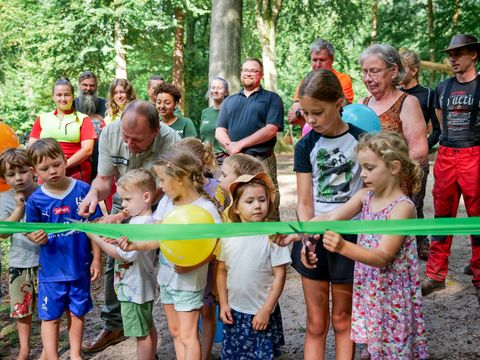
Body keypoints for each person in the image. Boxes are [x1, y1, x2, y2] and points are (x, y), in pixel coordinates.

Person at [302, 131, 428, 359]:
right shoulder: (365, 196)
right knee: (375, 345)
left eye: (370, 168)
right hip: (371, 288)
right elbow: (331, 218)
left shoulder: (403, 208)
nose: (363, 174)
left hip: (391, 294)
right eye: (361, 168)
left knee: (393, 348)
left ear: (394, 167)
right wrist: (297, 233)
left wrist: (342, 247)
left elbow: (382, 256)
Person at [276, 69, 365, 359]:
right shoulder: (306, 145)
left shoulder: (362, 141)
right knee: (316, 323)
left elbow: (368, 194)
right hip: (312, 236)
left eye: (317, 112)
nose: (310, 120)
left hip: (349, 239)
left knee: (343, 319)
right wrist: (306, 238)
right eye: (305, 113)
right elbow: (304, 201)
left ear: (339, 103)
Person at [79, 101, 179, 353]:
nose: (129, 145)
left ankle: (179, 326)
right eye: (126, 137)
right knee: (117, 264)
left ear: (155, 132)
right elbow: (103, 180)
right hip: (122, 200)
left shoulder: (171, 141)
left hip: (157, 202)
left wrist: (125, 214)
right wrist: (94, 195)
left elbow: (159, 191)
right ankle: (114, 324)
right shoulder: (111, 133)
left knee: (162, 261)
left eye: (137, 140)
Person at [118, 148, 222, 360]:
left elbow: (216, 248)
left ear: (181, 178)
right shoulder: (166, 202)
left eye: (163, 180)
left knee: (188, 335)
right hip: (166, 279)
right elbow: (157, 236)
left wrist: (192, 266)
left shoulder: (206, 209)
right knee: (175, 332)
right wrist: (134, 245)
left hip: (189, 282)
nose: (160, 186)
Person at [25, 138, 103, 360]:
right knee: (50, 317)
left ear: (65, 159)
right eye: (45, 168)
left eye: (56, 164)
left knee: (77, 313)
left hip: (79, 266)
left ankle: (75, 354)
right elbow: (30, 230)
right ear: (34, 171)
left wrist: (97, 259)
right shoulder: (36, 199)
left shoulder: (84, 190)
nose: (53, 171)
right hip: (51, 272)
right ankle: (52, 355)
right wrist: (34, 236)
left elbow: (95, 229)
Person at [421, 34, 480, 304]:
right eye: (450, 55)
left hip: (474, 154)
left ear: (473, 55)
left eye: (459, 53)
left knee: (477, 217)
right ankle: (435, 274)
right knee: (442, 216)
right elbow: (441, 126)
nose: (453, 59)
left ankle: (479, 274)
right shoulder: (441, 88)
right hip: (447, 153)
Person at [218, 172, 290, 359]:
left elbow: (280, 275)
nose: (257, 206)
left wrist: (266, 310)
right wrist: (224, 303)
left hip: (260, 311)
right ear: (236, 208)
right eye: (249, 201)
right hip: (235, 311)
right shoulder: (228, 236)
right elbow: (221, 271)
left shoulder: (273, 236)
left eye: (262, 200)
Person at [87, 169, 158, 360]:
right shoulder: (140, 220)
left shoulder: (141, 225)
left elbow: (126, 255)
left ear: (145, 197)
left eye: (127, 200)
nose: (123, 205)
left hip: (136, 290)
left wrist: (95, 238)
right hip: (138, 288)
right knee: (147, 326)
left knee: (141, 334)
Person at [215, 57, 284, 221]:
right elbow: (219, 130)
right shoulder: (229, 101)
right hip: (234, 161)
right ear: (241, 73)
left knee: (268, 199)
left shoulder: (272, 99)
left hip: (261, 159)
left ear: (261, 75)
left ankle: (272, 241)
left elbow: (271, 129)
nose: (248, 73)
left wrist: (240, 144)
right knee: (231, 199)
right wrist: (231, 146)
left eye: (253, 71)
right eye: (245, 70)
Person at [399, 49, 441, 260]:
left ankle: (420, 241)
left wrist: (423, 146)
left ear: (413, 71)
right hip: (395, 159)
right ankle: (397, 242)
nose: (397, 72)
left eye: (402, 68)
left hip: (417, 160)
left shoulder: (428, 94)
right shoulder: (395, 93)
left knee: (416, 202)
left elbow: (437, 130)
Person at [358, 44, 429, 167]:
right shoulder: (361, 104)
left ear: (394, 71)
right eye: (365, 72)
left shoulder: (407, 103)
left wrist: (385, 170)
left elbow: (420, 153)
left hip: (395, 182)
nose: (368, 78)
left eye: (374, 71)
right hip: (363, 182)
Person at [0, 149, 40, 360]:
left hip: (47, 261)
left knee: (47, 307)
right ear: (4, 178)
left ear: (32, 170)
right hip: (19, 261)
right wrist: (19, 207)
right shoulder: (4, 199)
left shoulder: (45, 192)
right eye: (11, 174)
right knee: (22, 309)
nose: (19, 178)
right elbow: (4, 233)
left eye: (23, 171)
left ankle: (47, 348)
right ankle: (24, 349)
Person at [29, 77, 96, 183]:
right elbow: (32, 147)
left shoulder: (84, 119)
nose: (63, 99)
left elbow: (87, 150)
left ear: (73, 96)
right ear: (53, 97)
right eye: (59, 95)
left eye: (67, 95)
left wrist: (63, 165)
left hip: (76, 172)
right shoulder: (42, 118)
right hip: (47, 173)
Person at [288, 38, 355, 136]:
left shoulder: (343, 79)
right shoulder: (306, 82)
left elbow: (341, 111)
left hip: (337, 135)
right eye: (314, 60)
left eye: (322, 60)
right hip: (309, 137)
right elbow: (292, 117)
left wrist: (301, 113)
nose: (318, 64)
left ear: (331, 60)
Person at [74, 70, 108, 181]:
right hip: (79, 165)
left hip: (102, 163)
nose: (88, 88)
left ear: (96, 87)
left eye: (92, 85)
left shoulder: (107, 105)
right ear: (79, 85)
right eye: (85, 85)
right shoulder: (71, 106)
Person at [200, 77, 229, 165]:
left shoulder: (230, 111)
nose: (215, 91)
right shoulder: (205, 112)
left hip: (223, 160)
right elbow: (203, 136)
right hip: (205, 159)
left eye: (219, 88)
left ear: (226, 92)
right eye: (213, 88)